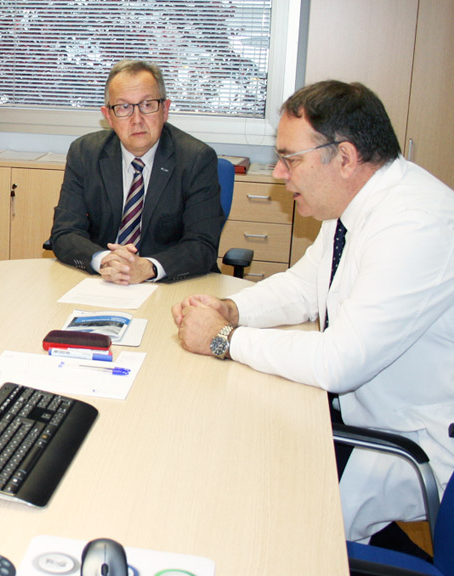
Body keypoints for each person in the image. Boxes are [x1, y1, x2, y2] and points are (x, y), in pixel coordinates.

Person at [173, 80, 454, 545]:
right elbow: (305, 288)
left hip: (408, 443)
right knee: (234, 448)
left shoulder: (416, 224)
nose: (280, 174)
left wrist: (224, 339)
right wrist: (232, 308)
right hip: (359, 414)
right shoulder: (357, 204)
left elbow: (339, 363)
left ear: (344, 157)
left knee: (264, 527)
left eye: (290, 158)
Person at [50, 59, 223, 285]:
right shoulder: (85, 153)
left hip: (171, 284)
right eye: (123, 107)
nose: (137, 119)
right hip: (105, 283)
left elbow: (202, 245)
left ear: (165, 109)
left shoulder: (196, 159)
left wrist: (149, 267)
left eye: (147, 105)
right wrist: (104, 260)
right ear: (108, 116)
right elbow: (64, 233)